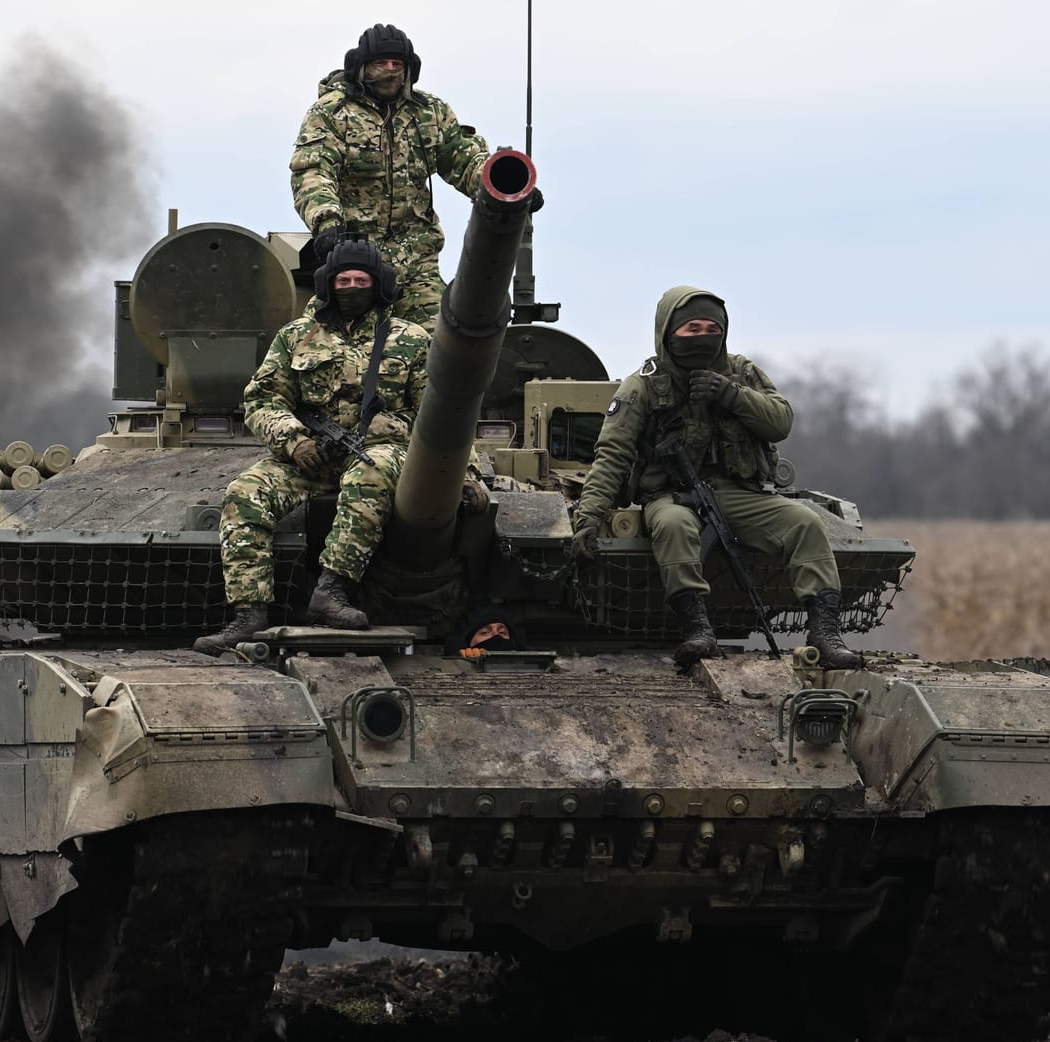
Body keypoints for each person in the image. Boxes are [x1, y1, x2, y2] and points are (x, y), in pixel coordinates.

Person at [194, 240, 487, 655]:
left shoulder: (410, 340)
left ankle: (332, 590)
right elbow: (262, 399)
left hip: (382, 450)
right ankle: (248, 614)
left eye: (361, 279)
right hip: (311, 454)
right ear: (328, 284)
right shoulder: (297, 337)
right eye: (343, 280)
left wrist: (466, 475)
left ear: (378, 284)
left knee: (369, 474)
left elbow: (442, 416)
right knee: (245, 493)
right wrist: (293, 440)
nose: (352, 286)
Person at [568, 287, 862, 669]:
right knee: (673, 527)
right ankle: (698, 629)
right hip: (670, 495)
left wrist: (730, 395)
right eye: (691, 328)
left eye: (712, 328)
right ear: (668, 332)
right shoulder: (642, 386)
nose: (703, 336)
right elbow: (612, 455)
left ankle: (825, 634)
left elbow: (780, 422)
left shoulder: (742, 373)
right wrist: (588, 517)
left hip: (740, 493)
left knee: (804, 523)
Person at [289, 23, 537, 325]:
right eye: (381, 63)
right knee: (335, 345)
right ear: (361, 67)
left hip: (417, 259)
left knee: (442, 344)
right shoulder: (332, 113)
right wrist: (327, 222)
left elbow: (463, 158)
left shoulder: (428, 113)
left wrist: (505, 187)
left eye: (398, 64)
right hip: (354, 259)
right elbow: (313, 171)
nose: (390, 71)